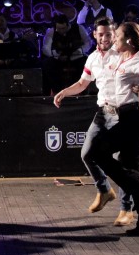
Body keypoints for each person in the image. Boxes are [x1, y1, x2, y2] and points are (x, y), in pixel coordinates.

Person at [53, 18, 134, 227]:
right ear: (94, 35)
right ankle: (104, 190)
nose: (105, 38)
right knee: (87, 153)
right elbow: (83, 83)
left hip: (122, 114)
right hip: (102, 113)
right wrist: (64, 92)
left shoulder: (123, 54)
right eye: (101, 34)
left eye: (109, 34)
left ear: (114, 35)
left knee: (122, 162)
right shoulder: (92, 58)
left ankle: (127, 209)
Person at [85, 21, 139, 236]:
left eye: (117, 37)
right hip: (127, 117)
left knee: (97, 153)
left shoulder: (138, 60)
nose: (113, 40)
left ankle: (138, 185)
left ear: (128, 40)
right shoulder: (122, 58)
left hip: (134, 119)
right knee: (131, 169)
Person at [41, 13, 91, 94]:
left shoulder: (79, 28)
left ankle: (82, 91)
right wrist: (56, 56)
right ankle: (56, 91)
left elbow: (88, 42)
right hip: (59, 59)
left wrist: (80, 50)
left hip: (76, 57)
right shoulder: (51, 31)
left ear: (68, 25)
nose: (60, 31)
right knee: (47, 63)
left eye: (63, 28)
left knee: (86, 62)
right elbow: (45, 48)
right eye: (58, 28)